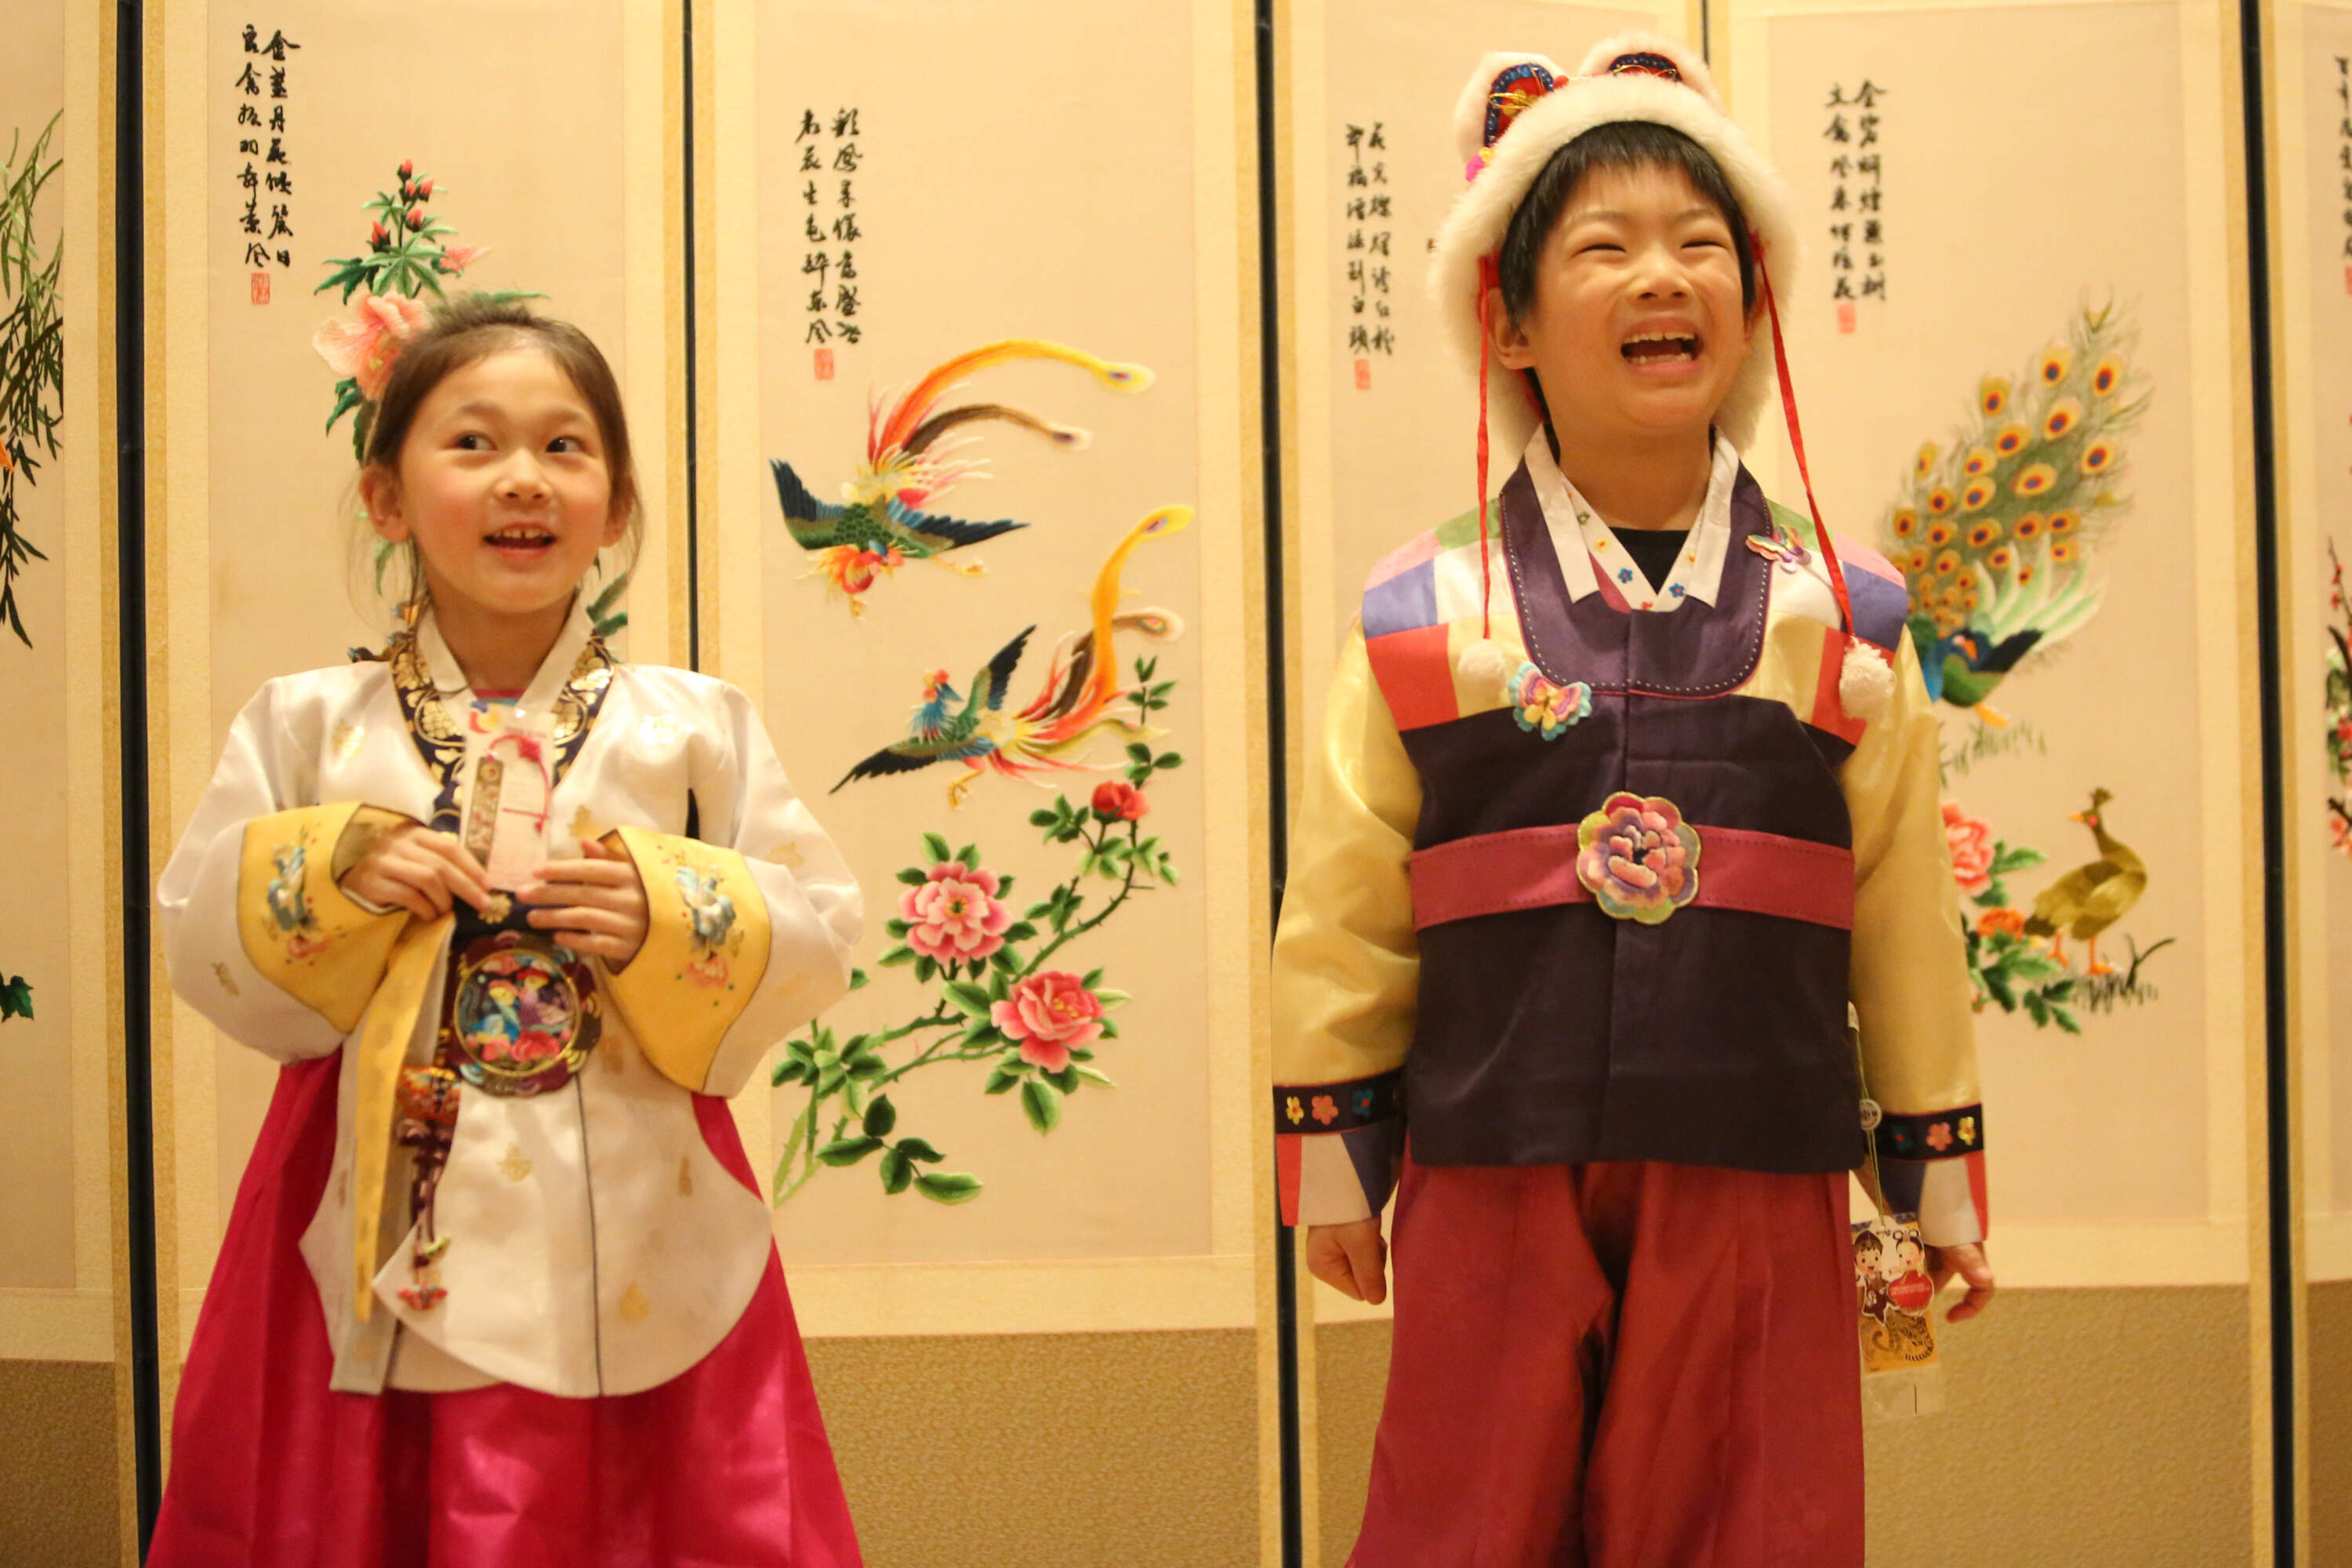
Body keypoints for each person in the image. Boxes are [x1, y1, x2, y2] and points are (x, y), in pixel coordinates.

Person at [1270, 34, 1994, 1566]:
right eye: (1603, 248)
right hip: (1491, 1156)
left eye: (1701, 246)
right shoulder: (1426, 609)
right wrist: (1338, 1151)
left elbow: (1900, 906)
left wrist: (1933, 1170)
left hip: (1760, 1151)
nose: (1662, 277)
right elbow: (1346, 896)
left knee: (1752, 1515)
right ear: (1512, 321)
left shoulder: (1845, 612)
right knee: (1466, 1515)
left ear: (1755, 304)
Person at [148, 294, 866, 1566]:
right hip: (368, 1188)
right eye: (472, 443)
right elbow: (200, 930)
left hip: (648, 1194)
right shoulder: (308, 724)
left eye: (566, 446)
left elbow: (818, 924)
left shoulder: (690, 725)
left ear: (617, 503)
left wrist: (673, 904)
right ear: (386, 496)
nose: (522, 479)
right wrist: (337, 867)